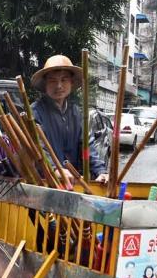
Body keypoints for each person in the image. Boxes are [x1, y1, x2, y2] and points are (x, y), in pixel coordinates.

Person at [29, 55, 109, 186]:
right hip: (45, 183)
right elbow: (38, 148)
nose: (59, 85)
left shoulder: (76, 112)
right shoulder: (35, 112)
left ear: (71, 82)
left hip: (73, 183)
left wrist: (100, 170)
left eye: (64, 80)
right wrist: (55, 169)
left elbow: (86, 145)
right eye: (53, 81)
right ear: (45, 84)